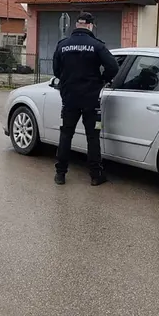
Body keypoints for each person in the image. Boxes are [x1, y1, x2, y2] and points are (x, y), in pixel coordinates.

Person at [52, 11, 120, 186]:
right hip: (91, 98)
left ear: (76, 25)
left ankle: (60, 174)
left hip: (69, 98)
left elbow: (56, 71)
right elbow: (113, 67)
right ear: (90, 25)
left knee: (66, 134)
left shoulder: (62, 45)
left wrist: (67, 83)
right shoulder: (97, 45)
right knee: (92, 136)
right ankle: (96, 175)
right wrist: (102, 80)